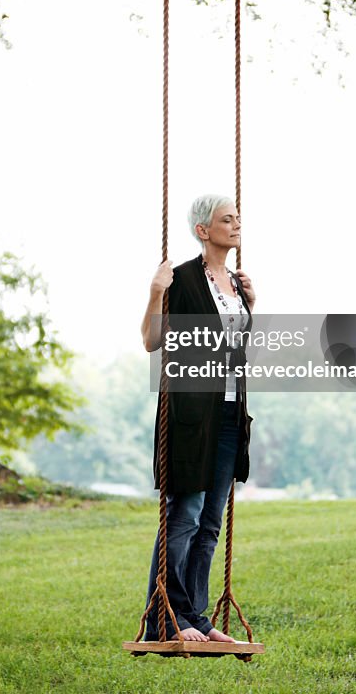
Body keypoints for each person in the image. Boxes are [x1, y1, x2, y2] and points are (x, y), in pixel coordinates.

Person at [140, 194, 256, 643]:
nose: (236, 224)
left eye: (238, 218)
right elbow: (152, 340)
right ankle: (164, 617)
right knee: (184, 514)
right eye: (226, 219)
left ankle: (196, 617)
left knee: (210, 522)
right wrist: (154, 293)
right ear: (203, 230)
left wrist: (253, 305)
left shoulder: (238, 284)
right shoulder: (183, 279)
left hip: (229, 413)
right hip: (191, 414)